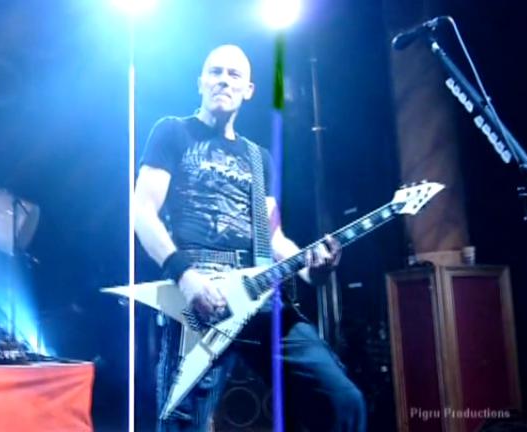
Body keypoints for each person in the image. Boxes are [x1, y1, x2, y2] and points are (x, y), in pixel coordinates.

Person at [134, 44, 366, 431]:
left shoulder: (259, 159)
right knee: (183, 422)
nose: (224, 80)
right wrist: (186, 277)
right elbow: (142, 212)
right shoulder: (172, 132)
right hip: (199, 293)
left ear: (249, 90)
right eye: (215, 72)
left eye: (234, 74)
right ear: (200, 82)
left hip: (260, 295)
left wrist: (313, 270)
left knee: (342, 400)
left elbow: (273, 237)